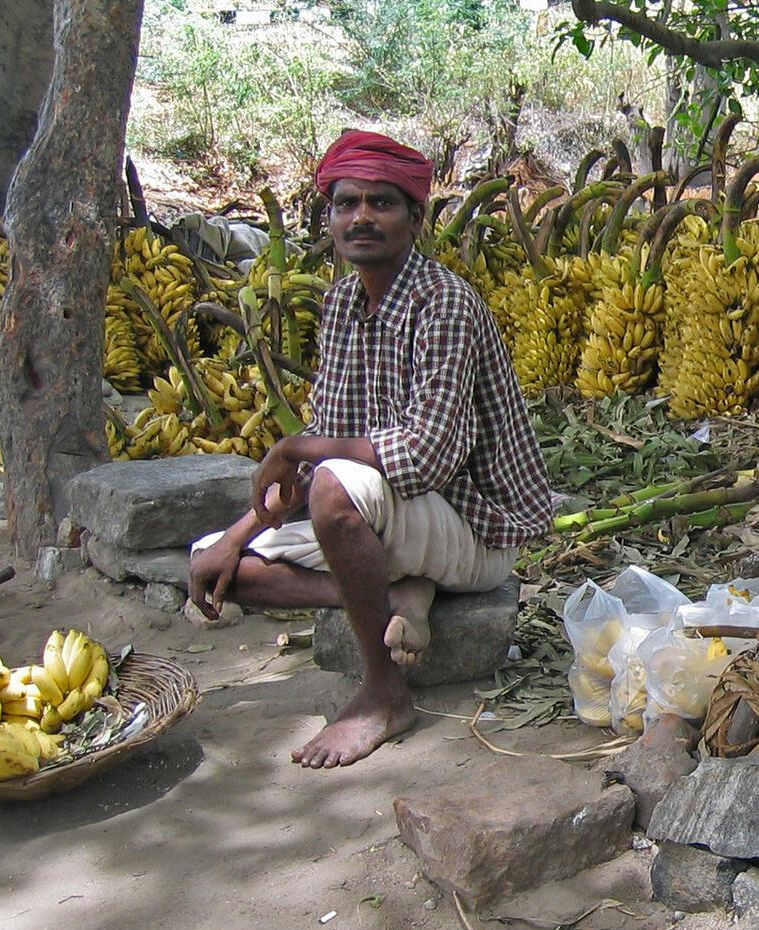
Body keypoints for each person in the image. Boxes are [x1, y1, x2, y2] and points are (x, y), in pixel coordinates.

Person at [188, 129, 552, 769]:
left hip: (473, 526)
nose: (361, 216)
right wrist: (237, 533)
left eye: (380, 203)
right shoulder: (340, 305)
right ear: (327, 218)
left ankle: (385, 694)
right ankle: (403, 593)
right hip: (393, 516)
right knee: (216, 568)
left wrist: (301, 446)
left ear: (414, 217)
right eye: (346, 203)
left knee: (332, 486)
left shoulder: (444, 303)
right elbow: (323, 441)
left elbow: (427, 454)